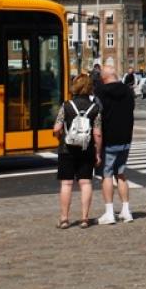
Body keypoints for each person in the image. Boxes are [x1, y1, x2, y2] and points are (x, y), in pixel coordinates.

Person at [53, 72, 102, 228]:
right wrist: (98, 153)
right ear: (89, 88)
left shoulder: (66, 106)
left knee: (66, 184)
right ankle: (84, 219)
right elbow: (98, 133)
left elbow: (57, 128)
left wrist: (60, 136)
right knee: (85, 182)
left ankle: (64, 219)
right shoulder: (95, 108)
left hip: (66, 149)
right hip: (86, 149)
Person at [94, 59, 135, 225]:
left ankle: (109, 212)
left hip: (109, 139)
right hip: (125, 139)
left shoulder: (101, 92)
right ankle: (126, 210)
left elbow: (98, 116)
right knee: (121, 174)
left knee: (107, 175)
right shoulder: (128, 91)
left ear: (104, 78)